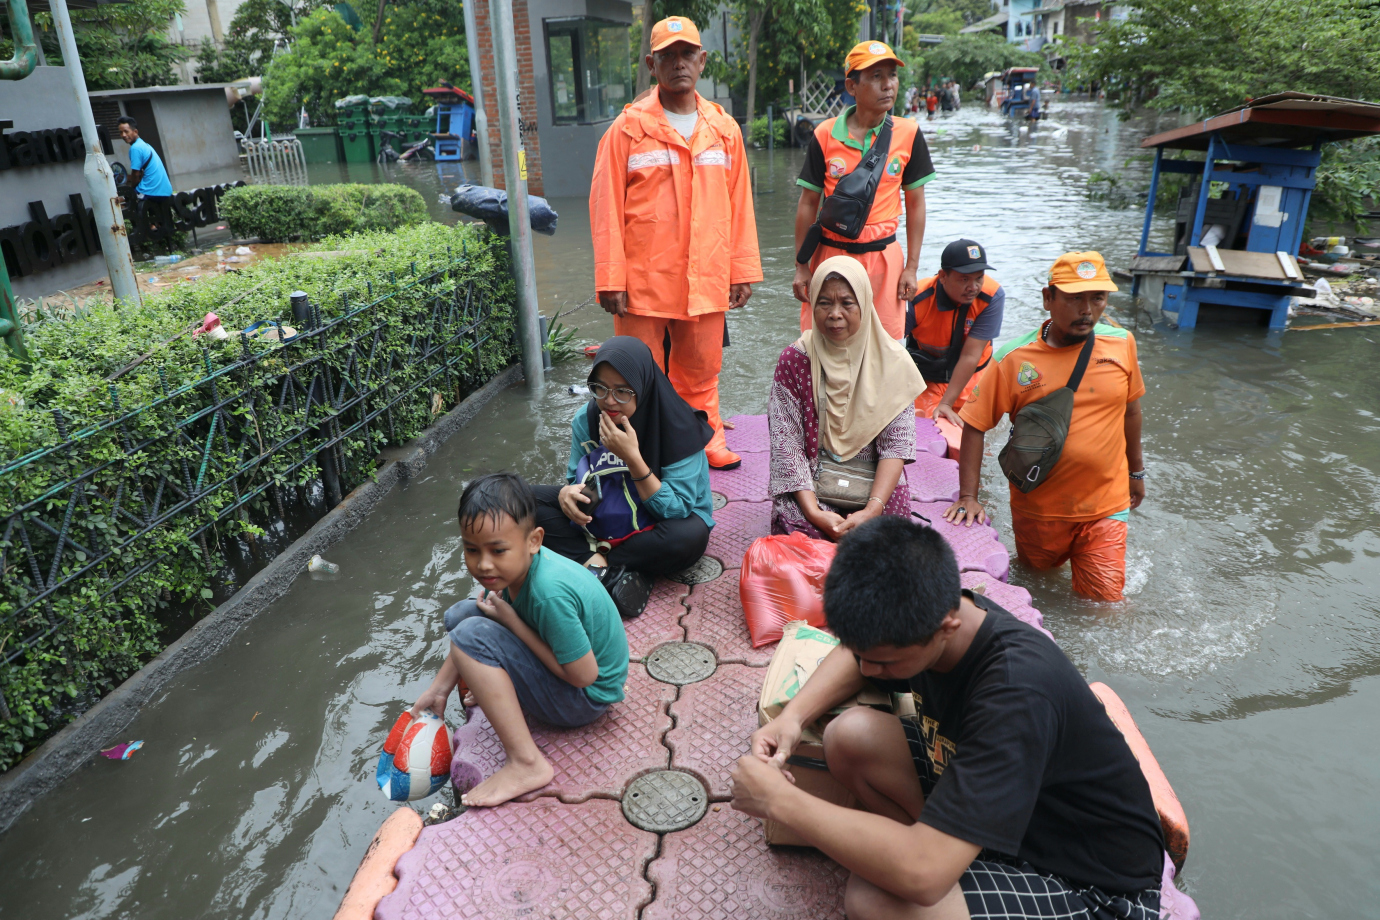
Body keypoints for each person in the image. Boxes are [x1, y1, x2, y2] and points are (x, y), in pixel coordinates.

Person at [731, 516, 1167, 920]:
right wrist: (792, 718)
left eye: (884, 662)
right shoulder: (940, 617)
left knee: (873, 898)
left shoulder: (1016, 691)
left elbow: (921, 879)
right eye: (863, 654)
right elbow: (856, 654)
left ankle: (941, 853)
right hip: (1009, 817)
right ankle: (947, 849)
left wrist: (780, 801)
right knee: (850, 737)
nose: (867, 671)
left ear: (945, 626)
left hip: (1087, 883)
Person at [590, 16, 761, 472]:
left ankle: (707, 441)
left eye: (687, 53)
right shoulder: (625, 130)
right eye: (667, 55)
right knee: (634, 376)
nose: (679, 63)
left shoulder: (725, 130)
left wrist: (741, 269)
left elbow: (739, 204)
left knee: (701, 369)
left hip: (705, 275)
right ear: (652, 63)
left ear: (702, 61)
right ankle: (641, 450)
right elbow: (605, 206)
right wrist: (611, 276)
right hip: (643, 282)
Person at [410, 472, 629, 807]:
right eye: (472, 550)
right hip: (572, 678)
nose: (483, 564)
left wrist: (512, 622)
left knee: (470, 633)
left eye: (497, 550)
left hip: (586, 699)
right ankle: (489, 686)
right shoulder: (515, 567)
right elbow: (475, 619)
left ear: (534, 540)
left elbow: (585, 676)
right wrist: (438, 690)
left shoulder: (547, 594)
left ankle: (527, 763)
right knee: (462, 616)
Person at [944, 252, 1145, 602]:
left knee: (1102, 605)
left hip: (1106, 504)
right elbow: (975, 425)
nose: (1087, 310)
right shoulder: (1015, 358)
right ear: (1047, 298)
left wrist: (1137, 473)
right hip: (1038, 509)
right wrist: (968, 497)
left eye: (1097, 298)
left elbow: (1131, 411)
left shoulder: (1121, 344)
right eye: (1074, 298)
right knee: (1039, 584)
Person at [535, 336, 715, 586]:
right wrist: (567, 493)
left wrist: (632, 458)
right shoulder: (586, 420)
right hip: (605, 516)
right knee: (521, 500)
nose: (609, 400)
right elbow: (577, 480)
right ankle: (606, 566)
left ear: (643, 386)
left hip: (657, 525)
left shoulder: (679, 426)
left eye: (622, 391)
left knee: (688, 537)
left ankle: (600, 563)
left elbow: (677, 510)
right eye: (600, 388)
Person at [769, 257, 925, 540]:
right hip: (811, 482)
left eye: (847, 303)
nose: (834, 314)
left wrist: (873, 509)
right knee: (799, 532)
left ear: (864, 304)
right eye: (824, 302)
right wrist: (814, 512)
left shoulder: (894, 362)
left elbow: (897, 445)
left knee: (890, 537)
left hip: (873, 486)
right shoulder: (795, 360)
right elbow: (786, 443)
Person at [793, 41, 936, 340]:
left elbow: (916, 204)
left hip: (884, 259)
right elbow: (808, 203)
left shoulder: (908, 133)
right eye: (876, 77)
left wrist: (911, 268)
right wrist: (801, 266)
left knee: (885, 347)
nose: (888, 85)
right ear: (852, 86)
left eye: (892, 76)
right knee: (824, 345)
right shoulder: (825, 134)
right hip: (831, 256)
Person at [907, 239, 1004, 424]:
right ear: (943, 276)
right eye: (964, 279)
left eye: (979, 278)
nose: (973, 287)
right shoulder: (917, 299)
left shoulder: (992, 296)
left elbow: (970, 355)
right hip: (930, 377)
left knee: (975, 432)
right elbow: (890, 348)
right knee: (920, 426)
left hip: (973, 376)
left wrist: (946, 404)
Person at [117, 115, 173, 225]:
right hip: (165, 190)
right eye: (121, 132)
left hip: (152, 190)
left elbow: (136, 174)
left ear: (135, 131)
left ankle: (143, 230)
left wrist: (132, 190)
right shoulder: (144, 144)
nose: (123, 135)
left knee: (121, 201)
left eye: (126, 131)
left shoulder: (135, 148)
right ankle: (153, 226)